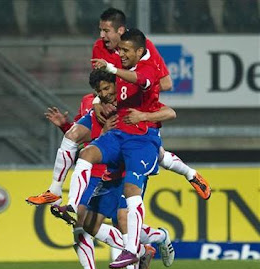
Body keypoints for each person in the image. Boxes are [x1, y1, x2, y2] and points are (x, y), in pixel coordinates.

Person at [26, 8, 211, 207]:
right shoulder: (99, 47)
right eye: (100, 30)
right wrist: (99, 101)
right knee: (72, 134)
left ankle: (190, 174)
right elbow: (99, 82)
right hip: (111, 105)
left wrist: (131, 87)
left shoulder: (143, 47)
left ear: (120, 31)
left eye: (106, 31)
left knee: (158, 155)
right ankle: (55, 191)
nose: (101, 36)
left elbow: (165, 83)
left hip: (138, 106)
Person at [51, 29, 174, 269]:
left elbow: (156, 96)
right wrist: (95, 103)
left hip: (139, 144)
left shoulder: (146, 69)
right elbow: (85, 132)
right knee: (86, 156)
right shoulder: (102, 97)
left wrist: (113, 70)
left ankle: (149, 247)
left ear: (139, 50)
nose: (120, 54)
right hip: (112, 158)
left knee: (125, 215)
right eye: (100, 91)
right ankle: (73, 204)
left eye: (125, 50)